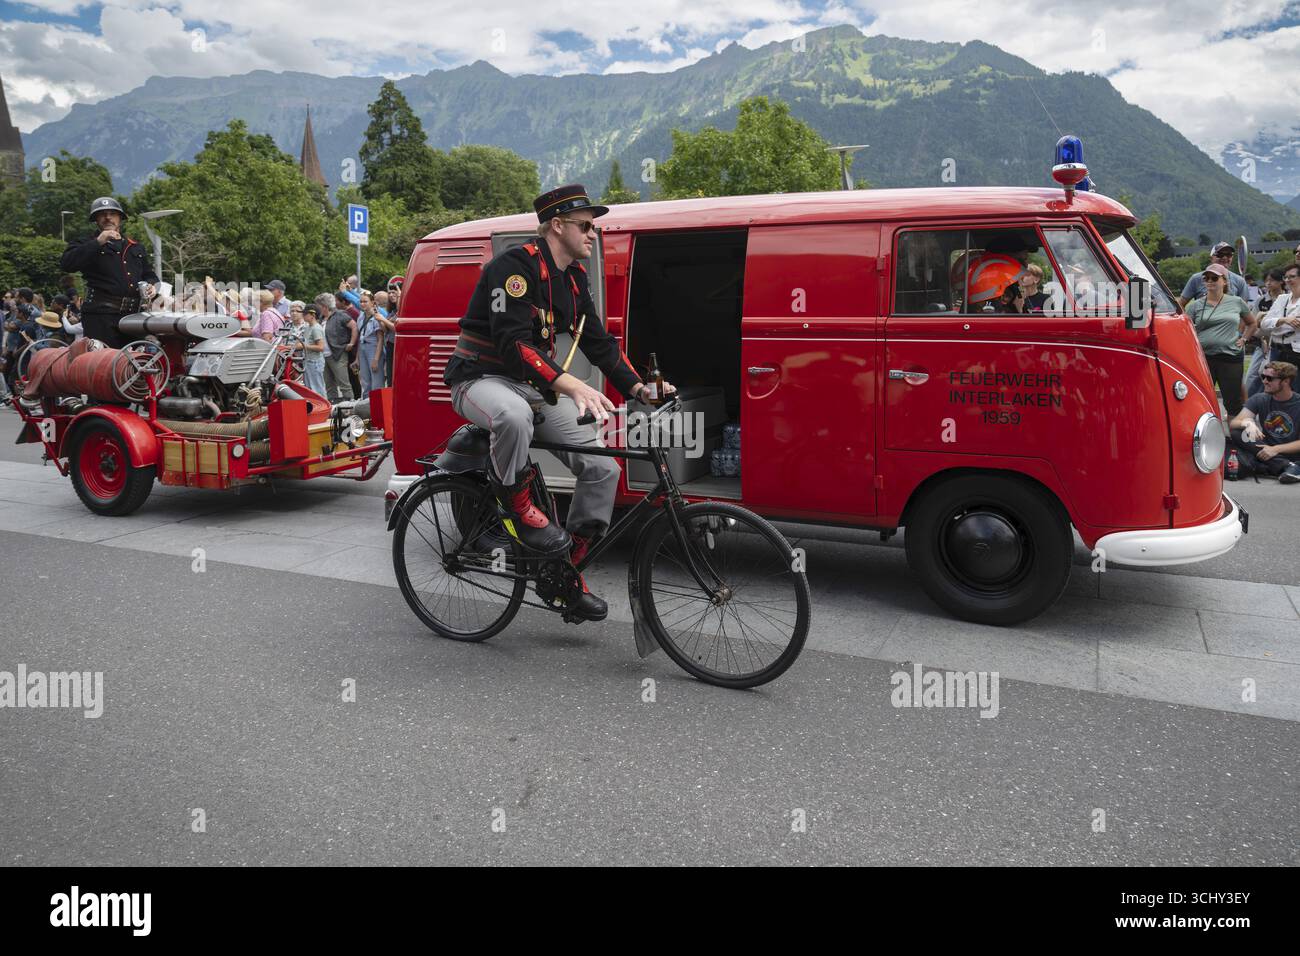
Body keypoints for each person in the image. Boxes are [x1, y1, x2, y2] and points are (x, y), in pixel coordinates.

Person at [443, 184, 671, 623]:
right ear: (557, 225)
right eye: (586, 225)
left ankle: (563, 572)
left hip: (530, 387)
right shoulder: (514, 268)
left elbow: (601, 345)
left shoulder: (573, 278)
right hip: (480, 378)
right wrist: (571, 386)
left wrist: (640, 390)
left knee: (603, 468)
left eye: (594, 226)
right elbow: (512, 346)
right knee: (512, 417)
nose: (592, 234)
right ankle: (516, 505)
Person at [58, 197, 158, 349]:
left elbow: (149, 274)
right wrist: (99, 241)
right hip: (100, 315)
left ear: (120, 218)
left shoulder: (135, 246)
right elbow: (67, 264)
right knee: (104, 365)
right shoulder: (85, 242)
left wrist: (152, 286)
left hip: (133, 316)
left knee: (134, 364)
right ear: (96, 219)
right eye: (102, 214)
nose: (108, 217)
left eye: (112, 213)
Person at [1188, 263, 1253, 417]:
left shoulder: (1236, 301)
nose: (1209, 281)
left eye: (1214, 278)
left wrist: (1244, 339)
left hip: (1230, 358)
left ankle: (1236, 438)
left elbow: (1252, 323)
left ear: (1224, 281)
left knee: (1233, 402)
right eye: (1206, 278)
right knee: (1201, 400)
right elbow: (1186, 330)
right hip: (1204, 359)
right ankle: (1208, 435)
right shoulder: (1195, 306)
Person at [1226, 361, 1300, 483]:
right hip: (1264, 450)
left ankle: (1282, 465)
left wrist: (1276, 449)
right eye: (1263, 377)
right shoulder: (1260, 399)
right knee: (1237, 432)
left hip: (1287, 451)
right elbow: (1234, 423)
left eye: (1270, 378)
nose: (1264, 381)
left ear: (1286, 381)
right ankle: (1286, 466)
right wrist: (1248, 423)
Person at [1246, 268, 1286, 397]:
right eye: (1266, 280)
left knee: (1279, 376)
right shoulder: (1261, 300)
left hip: (1282, 344)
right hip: (1262, 343)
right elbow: (1254, 321)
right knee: (1253, 374)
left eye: (1272, 280)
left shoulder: (1288, 299)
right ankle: (1249, 402)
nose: (1268, 283)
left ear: (1281, 282)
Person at [1177, 242, 1248, 309]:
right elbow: (1180, 305)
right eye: (1220, 254)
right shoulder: (1196, 279)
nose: (1225, 257)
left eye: (1229, 255)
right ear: (1211, 258)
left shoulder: (1240, 281)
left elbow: (1244, 310)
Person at [1260, 264, 1300, 369]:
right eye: (1286, 277)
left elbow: (1295, 326)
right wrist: (1284, 320)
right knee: (1273, 383)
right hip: (1275, 351)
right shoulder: (1282, 298)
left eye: (1292, 276)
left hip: (1295, 352)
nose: (1288, 280)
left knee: (1294, 384)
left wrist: (1275, 326)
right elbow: (1264, 324)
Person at [318, 292, 355, 402]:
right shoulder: (321, 318)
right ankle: (333, 406)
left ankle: (349, 405)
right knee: (329, 384)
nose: (318, 308)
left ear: (325, 306)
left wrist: (351, 343)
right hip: (324, 355)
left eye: (319, 306)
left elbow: (354, 326)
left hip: (338, 354)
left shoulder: (340, 315)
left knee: (343, 383)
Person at [300, 304, 327, 396]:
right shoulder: (308, 328)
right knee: (310, 388)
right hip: (308, 361)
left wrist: (304, 346)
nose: (303, 316)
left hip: (315, 362)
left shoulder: (316, 328)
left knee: (317, 388)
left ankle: (323, 407)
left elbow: (321, 347)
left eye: (305, 314)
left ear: (313, 315)